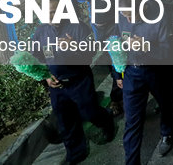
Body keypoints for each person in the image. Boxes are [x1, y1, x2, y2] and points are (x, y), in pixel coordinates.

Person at [29, 10, 115, 164]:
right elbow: (36, 57)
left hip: (79, 80)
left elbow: (91, 52)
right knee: (65, 120)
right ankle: (76, 153)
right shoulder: (41, 31)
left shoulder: (78, 27)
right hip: (56, 85)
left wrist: (75, 46)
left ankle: (106, 121)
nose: (50, 17)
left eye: (54, 12)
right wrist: (46, 77)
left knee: (90, 112)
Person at [117, 0, 173, 163]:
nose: (127, 20)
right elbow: (116, 44)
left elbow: (168, 52)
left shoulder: (159, 20)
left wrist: (146, 47)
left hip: (157, 71)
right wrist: (117, 73)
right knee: (132, 121)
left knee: (166, 104)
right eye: (124, 15)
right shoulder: (122, 17)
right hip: (131, 73)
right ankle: (132, 161)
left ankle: (167, 133)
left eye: (130, 14)